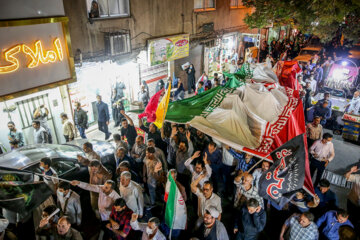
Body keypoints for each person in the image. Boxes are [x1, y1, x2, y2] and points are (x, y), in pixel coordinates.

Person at [344, 165, 360, 231]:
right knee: (350, 217)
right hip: (352, 201)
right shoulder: (358, 177)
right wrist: (351, 171)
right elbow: (346, 176)